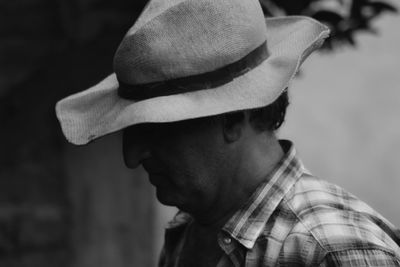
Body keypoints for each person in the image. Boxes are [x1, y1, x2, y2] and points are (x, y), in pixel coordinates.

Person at [55, 0, 400, 265]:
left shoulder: (330, 251)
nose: (132, 157)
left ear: (234, 118)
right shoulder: (190, 229)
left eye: (157, 128)